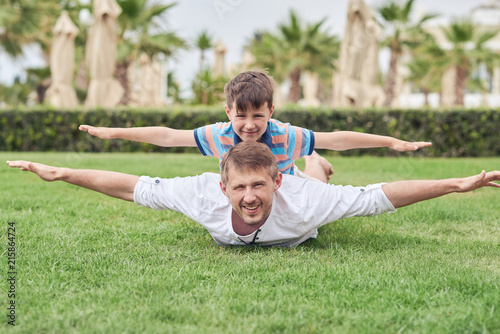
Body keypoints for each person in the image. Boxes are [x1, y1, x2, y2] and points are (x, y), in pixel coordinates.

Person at [7, 141, 499, 247]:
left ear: (274, 181)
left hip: (305, 204)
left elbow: (380, 195)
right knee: (318, 198)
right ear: (222, 186)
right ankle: (317, 162)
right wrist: (65, 172)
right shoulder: (200, 194)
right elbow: (132, 186)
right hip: (300, 199)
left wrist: (456, 184)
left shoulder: (301, 200)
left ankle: (313, 164)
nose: (247, 196)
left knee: (321, 201)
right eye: (238, 187)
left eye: (258, 185)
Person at [79, 71, 431, 183]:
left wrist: (391, 142)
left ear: (271, 111)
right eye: (240, 116)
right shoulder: (219, 134)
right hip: (248, 187)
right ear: (228, 111)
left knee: (317, 193)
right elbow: (168, 136)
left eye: (258, 116)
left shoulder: (284, 133)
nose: (249, 126)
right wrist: (114, 133)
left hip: (286, 185)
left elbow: (338, 138)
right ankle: (312, 161)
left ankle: (314, 163)